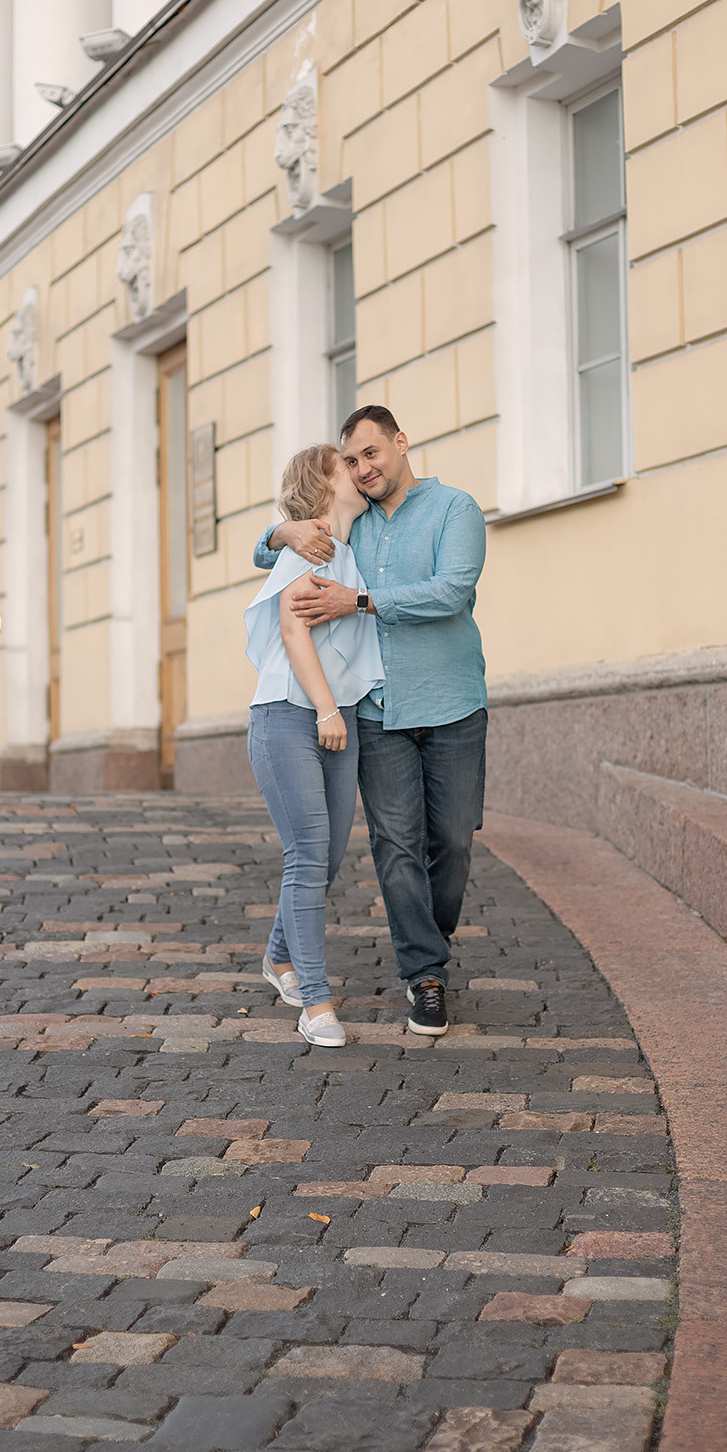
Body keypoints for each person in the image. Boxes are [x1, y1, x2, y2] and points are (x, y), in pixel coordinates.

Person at [254, 407, 487, 1038]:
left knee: (454, 843)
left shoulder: (453, 509)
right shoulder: (342, 532)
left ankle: (421, 940)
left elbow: (453, 590)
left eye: (370, 454)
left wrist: (358, 601)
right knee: (395, 845)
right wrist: (282, 534)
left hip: (451, 701)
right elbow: (272, 554)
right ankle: (425, 974)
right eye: (351, 461)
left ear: (400, 443)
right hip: (375, 712)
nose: (363, 469)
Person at [244, 443, 383, 1049]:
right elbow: (293, 628)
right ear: (323, 482)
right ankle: (317, 1002)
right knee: (307, 854)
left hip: (336, 715)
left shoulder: (348, 547)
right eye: (345, 465)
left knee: (325, 858)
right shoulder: (313, 545)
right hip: (290, 715)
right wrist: (328, 708)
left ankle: (277, 958)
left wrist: (339, 710)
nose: (359, 472)